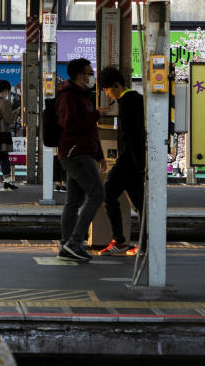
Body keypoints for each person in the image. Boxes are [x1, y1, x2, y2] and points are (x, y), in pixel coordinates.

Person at [55, 58, 103, 262]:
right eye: (88, 72)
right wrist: (96, 115)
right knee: (97, 194)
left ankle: (68, 245)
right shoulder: (69, 96)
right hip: (75, 152)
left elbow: (90, 129)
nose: (91, 75)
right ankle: (74, 242)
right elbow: (71, 124)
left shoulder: (81, 95)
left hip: (79, 151)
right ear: (78, 75)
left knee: (73, 201)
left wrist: (99, 155)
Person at [97, 67, 142, 256]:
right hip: (134, 161)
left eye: (107, 89)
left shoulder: (127, 102)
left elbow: (130, 136)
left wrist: (137, 164)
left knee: (108, 194)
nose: (107, 93)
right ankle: (144, 244)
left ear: (116, 85)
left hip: (128, 161)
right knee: (140, 204)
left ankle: (120, 241)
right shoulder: (136, 99)